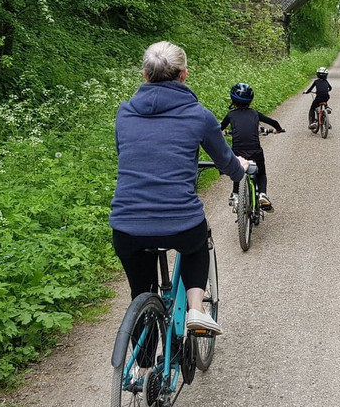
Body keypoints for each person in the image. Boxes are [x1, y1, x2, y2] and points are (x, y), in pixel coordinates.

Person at [109, 41, 247, 334]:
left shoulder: (124, 113)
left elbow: (126, 153)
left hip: (126, 226)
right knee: (198, 241)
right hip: (180, 223)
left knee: (141, 293)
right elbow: (227, 164)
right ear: (184, 75)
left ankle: (142, 373)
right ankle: (196, 309)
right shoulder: (199, 116)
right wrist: (242, 167)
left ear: (144, 76)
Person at [220, 82, 284, 211]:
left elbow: (220, 128)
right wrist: (278, 129)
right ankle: (262, 194)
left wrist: (223, 132)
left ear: (233, 99)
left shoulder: (231, 115)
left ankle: (236, 195)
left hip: (237, 152)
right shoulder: (255, 114)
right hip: (255, 151)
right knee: (261, 173)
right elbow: (273, 122)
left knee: (238, 170)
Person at [304, 67, 332, 131]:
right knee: (324, 99)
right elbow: (330, 88)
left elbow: (310, 89)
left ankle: (313, 122)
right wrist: (326, 90)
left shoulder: (316, 81)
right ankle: (326, 108)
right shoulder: (326, 81)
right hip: (326, 96)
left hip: (318, 97)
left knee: (312, 108)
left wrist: (306, 92)